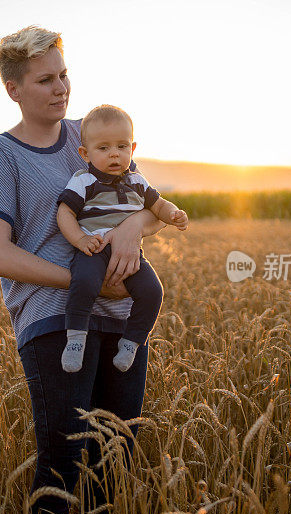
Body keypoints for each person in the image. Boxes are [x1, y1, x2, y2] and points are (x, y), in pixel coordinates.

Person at [0, 26, 188, 514]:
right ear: (14, 90)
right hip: (52, 320)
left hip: (120, 317)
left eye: (64, 75)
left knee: (115, 461)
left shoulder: (89, 135)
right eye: (45, 80)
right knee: (63, 464)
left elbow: (144, 201)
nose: (61, 88)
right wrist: (82, 283)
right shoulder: (0, 155)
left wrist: (135, 227)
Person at [56, 104, 188, 374]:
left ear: (133, 149)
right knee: (83, 283)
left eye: (121, 146)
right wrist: (80, 240)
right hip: (95, 247)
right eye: (103, 148)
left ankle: (132, 342)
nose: (114, 154)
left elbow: (158, 205)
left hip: (130, 255)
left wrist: (173, 213)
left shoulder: (138, 181)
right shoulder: (84, 181)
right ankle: (76, 338)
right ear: (85, 154)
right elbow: (65, 213)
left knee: (153, 292)